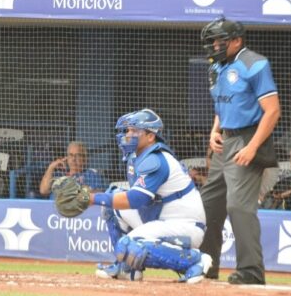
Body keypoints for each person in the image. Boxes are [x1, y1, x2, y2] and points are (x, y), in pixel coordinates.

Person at [84, 109, 210, 283]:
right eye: (127, 130)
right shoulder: (137, 157)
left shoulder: (156, 159)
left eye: (134, 131)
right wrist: (99, 198)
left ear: (150, 136)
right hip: (160, 218)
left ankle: (195, 260)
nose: (128, 135)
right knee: (110, 203)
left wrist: (90, 198)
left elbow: (136, 199)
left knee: (128, 246)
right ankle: (128, 269)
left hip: (185, 225)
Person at [199, 16, 280, 285]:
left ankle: (251, 271)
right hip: (225, 142)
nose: (215, 45)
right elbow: (223, 104)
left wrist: (252, 147)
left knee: (238, 206)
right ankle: (206, 264)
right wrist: (215, 131)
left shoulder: (254, 64)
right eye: (212, 40)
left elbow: (272, 111)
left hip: (248, 138)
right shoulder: (216, 68)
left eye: (220, 40)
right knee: (209, 204)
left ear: (237, 40)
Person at [39, 141, 107, 197]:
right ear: (67, 157)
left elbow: (99, 194)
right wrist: (51, 167)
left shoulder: (91, 174)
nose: (73, 159)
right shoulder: (59, 174)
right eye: (71, 155)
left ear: (85, 158)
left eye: (77, 155)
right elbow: (43, 191)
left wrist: (75, 191)